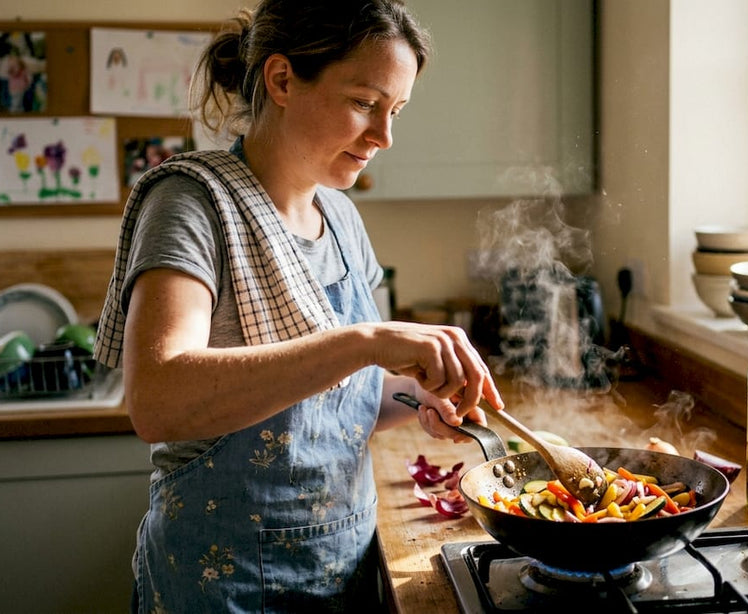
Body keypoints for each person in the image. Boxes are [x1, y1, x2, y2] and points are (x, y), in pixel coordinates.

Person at [92, 1, 503, 611]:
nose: (384, 136)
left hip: (342, 572)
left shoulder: (341, 217)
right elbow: (156, 399)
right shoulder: (191, 202)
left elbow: (340, 402)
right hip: (220, 587)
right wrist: (365, 342)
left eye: (395, 111)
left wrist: (423, 394)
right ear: (282, 80)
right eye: (364, 102)